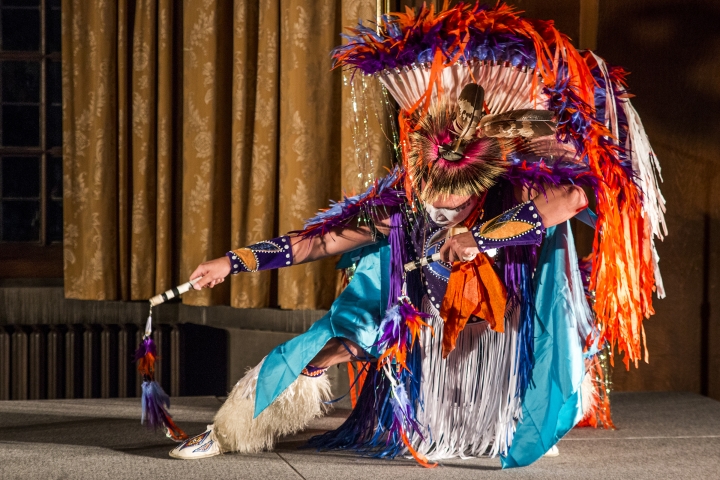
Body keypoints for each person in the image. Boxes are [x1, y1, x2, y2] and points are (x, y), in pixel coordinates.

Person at [168, 3, 665, 468]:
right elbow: (317, 242)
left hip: (502, 314)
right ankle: (231, 429)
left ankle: (513, 420)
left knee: (539, 333)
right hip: (417, 300)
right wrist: (230, 262)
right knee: (343, 336)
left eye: (458, 205)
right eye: (434, 201)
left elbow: (575, 198)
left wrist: (484, 236)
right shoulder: (398, 206)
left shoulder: (513, 190)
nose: (445, 210)